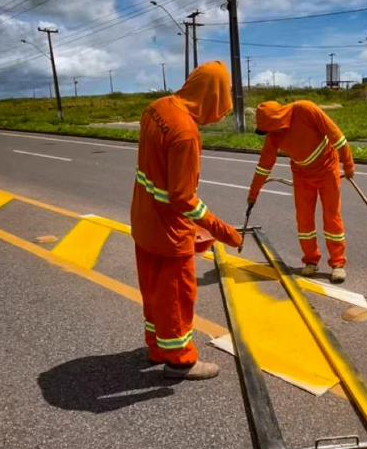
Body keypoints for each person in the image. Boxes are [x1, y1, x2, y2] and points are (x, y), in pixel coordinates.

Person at [131, 61, 242, 380]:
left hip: (144, 221)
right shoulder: (186, 133)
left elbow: (162, 183)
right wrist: (222, 231)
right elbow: (182, 198)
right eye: (223, 101)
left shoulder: (156, 108)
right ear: (212, 96)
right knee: (178, 296)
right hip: (168, 233)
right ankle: (180, 360)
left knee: (153, 292)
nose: (221, 111)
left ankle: (156, 348)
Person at [247, 100, 354, 283]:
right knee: (304, 220)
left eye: (270, 129)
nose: (270, 134)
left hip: (327, 170)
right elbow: (264, 166)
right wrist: (253, 194)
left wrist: (348, 164)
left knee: (331, 217)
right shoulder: (273, 135)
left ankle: (337, 264)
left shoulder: (306, 110)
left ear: (278, 120)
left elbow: (337, 137)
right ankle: (311, 261)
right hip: (302, 175)